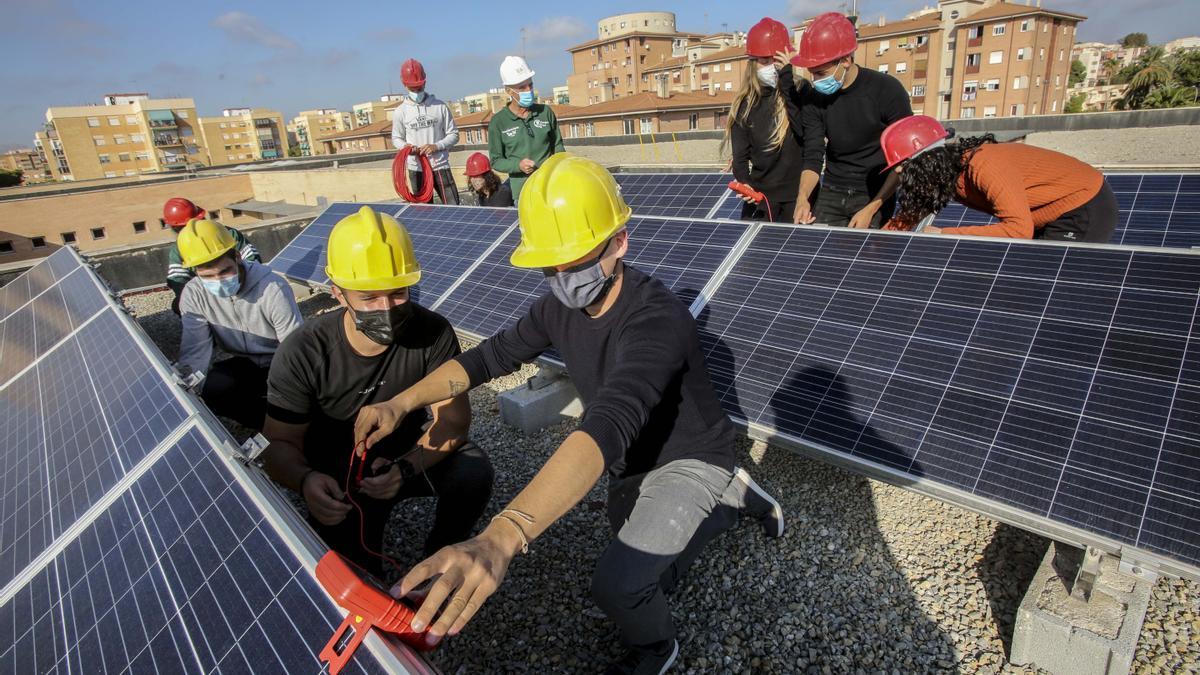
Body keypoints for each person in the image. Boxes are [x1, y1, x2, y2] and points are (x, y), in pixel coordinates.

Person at [354, 154, 784, 673]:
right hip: (630, 464)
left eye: (576, 260)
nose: (562, 277)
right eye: (549, 264)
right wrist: (400, 403)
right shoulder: (557, 307)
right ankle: (731, 502)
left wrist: (502, 536)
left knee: (618, 586)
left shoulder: (656, 320)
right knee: (644, 561)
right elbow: (489, 357)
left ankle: (657, 647)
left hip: (688, 458)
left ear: (618, 242)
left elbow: (608, 421)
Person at [261, 206, 493, 576]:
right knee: (356, 573)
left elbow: (453, 423)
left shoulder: (433, 333)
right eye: (368, 298)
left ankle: (440, 556)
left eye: (397, 294)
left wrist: (405, 468)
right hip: (336, 472)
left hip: (401, 455)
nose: (386, 308)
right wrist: (306, 481)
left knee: (473, 469)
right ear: (338, 294)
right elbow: (277, 446)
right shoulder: (303, 351)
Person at [881, 115, 1119, 241]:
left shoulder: (985, 166)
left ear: (926, 161)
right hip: (1042, 215)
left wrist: (944, 234)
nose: (899, 172)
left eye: (903, 165)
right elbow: (909, 217)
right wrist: (875, 241)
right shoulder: (944, 174)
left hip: (1082, 206)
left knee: (1050, 283)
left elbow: (1018, 231)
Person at [175, 218, 302, 430]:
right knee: (214, 388)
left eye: (225, 272)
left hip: (278, 361)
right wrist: (188, 397)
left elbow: (293, 346)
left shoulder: (272, 287)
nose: (218, 280)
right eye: (208, 276)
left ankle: (285, 424)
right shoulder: (193, 295)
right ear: (195, 271)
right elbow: (195, 351)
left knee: (292, 400)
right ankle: (262, 425)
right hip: (246, 362)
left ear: (237, 256)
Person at [792, 12, 912, 228]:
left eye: (821, 72)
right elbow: (813, 156)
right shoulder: (813, 99)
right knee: (821, 255)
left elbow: (904, 161)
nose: (815, 80)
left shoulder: (887, 91)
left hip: (874, 192)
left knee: (864, 258)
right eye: (811, 73)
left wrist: (872, 209)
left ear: (846, 60)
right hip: (832, 190)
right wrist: (803, 198)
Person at [725, 17, 807, 223]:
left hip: (797, 202)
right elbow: (740, 159)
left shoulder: (801, 92)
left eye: (776, 60)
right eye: (764, 61)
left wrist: (786, 82)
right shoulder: (743, 106)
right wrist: (746, 185)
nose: (771, 66)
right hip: (760, 202)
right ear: (753, 63)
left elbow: (804, 132)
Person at [487, 56, 564, 204]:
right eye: (522, 87)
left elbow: (558, 146)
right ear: (508, 90)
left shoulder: (545, 112)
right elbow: (496, 161)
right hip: (523, 193)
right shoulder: (498, 122)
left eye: (530, 84)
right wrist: (518, 166)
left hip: (552, 187)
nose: (528, 90)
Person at [164, 197, 260, 314]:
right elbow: (177, 278)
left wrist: (243, 283)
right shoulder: (179, 248)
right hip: (208, 294)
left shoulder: (228, 234)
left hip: (240, 285)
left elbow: (252, 260)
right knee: (179, 305)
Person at [392, 58, 461, 205]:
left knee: (454, 207)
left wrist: (436, 146)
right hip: (417, 168)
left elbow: (453, 134)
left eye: (419, 87)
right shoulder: (400, 112)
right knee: (424, 212)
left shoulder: (439, 107)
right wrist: (407, 148)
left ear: (425, 82)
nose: (417, 91)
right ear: (404, 85)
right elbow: (396, 138)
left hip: (440, 166)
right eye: (413, 88)